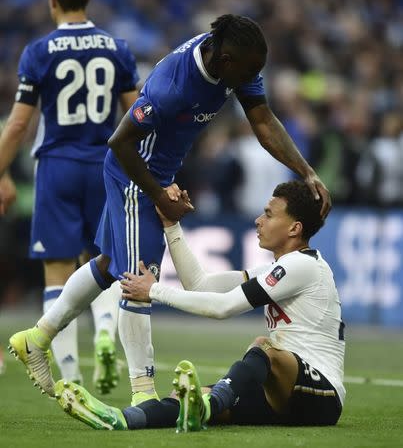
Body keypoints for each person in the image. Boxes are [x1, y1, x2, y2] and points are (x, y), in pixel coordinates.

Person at [9, 14, 331, 405]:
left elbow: (262, 121)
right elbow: (120, 143)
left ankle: (36, 338)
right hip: (134, 176)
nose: (253, 78)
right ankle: (143, 394)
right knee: (139, 280)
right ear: (226, 61)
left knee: (110, 265)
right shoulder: (173, 86)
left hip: (158, 175)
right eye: (249, 71)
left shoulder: (232, 60)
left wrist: (307, 171)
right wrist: (158, 194)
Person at [53, 180, 344, 430]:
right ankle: (122, 418)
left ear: (294, 228)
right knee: (185, 396)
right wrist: (171, 224)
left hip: (322, 395)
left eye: (268, 214)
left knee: (264, 347)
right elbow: (200, 285)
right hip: (280, 394)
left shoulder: (302, 266)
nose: (258, 220)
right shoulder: (276, 269)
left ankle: (211, 404)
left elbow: (223, 308)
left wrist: (153, 290)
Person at [2, 0, 139, 393]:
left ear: (52, 3)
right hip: (105, 165)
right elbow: (136, 115)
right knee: (104, 262)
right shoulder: (117, 48)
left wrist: (0, 172)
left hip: (57, 167)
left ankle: (70, 378)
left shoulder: (38, 51)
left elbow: (17, 126)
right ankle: (105, 334)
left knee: (58, 273)